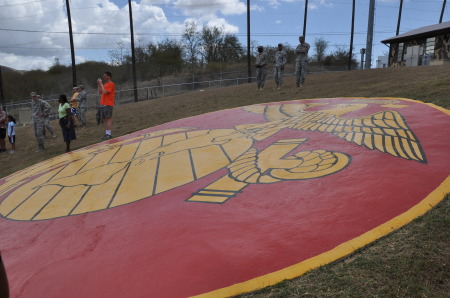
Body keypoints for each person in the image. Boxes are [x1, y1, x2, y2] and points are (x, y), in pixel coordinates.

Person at [97, 71, 116, 140]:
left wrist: (101, 84)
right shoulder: (104, 84)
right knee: (104, 119)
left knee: (108, 119)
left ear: (109, 76)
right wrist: (99, 84)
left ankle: (109, 134)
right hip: (103, 104)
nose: (104, 77)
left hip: (108, 104)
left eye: (105, 76)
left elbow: (105, 92)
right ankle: (107, 133)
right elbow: (100, 92)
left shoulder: (111, 84)